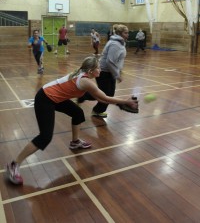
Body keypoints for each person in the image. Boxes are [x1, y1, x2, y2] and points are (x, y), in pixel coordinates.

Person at [6, 56, 138, 185]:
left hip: (54, 97)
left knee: (78, 113)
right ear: (91, 70)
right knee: (45, 137)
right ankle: (14, 164)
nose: (100, 70)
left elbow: (100, 99)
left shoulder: (84, 76)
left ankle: (75, 142)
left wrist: (120, 103)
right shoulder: (86, 81)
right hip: (45, 99)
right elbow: (105, 97)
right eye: (98, 67)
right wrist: (125, 102)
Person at [79, 24, 129, 118]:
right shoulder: (115, 44)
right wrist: (117, 75)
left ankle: (93, 106)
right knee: (105, 95)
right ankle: (88, 101)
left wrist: (119, 70)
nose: (127, 34)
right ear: (119, 33)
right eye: (125, 32)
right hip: (104, 72)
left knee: (108, 94)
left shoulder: (119, 42)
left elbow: (117, 60)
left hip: (109, 72)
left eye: (127, 32)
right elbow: (110, 61)